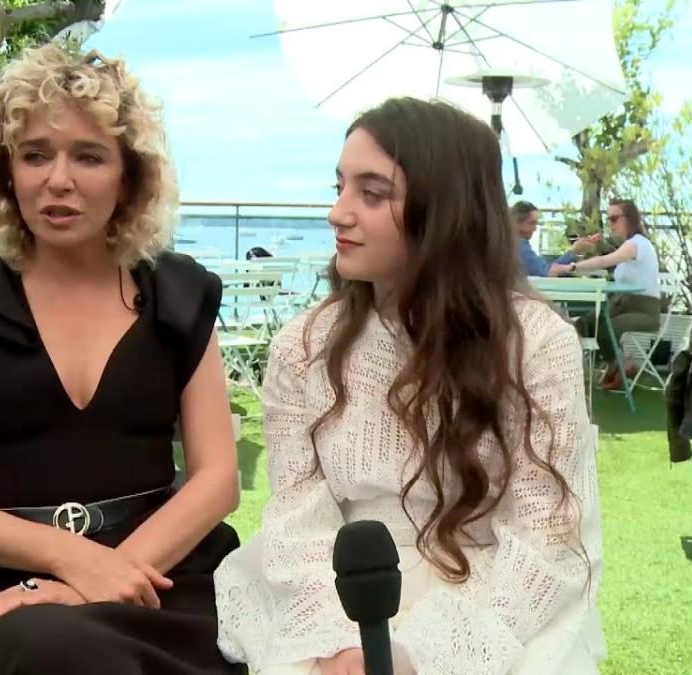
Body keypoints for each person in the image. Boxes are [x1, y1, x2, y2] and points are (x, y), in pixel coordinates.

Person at [214, 98, 604, 675]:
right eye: (340, 186)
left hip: (491, 603)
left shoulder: (536, 345)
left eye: (371, 194)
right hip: (339, 588)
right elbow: (298, 519)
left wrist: (422, 653)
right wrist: (338, 642)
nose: (337, 213)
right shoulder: (303, 346)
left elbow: (549, 534)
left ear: (443, 211)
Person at [0, 44, 245, 675]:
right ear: (6, 172)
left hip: (166, 576)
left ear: (128, 174)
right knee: (61, 652)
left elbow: (217, 479)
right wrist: (71, 560)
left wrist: (108, 572)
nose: (57, 179)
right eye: (35, 154)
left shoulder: (180, 295)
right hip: (9, 592)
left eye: (88, 156)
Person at [563, 198, 662, 390]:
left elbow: (606, 261)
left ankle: (620, 365)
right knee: (583, 324)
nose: (610, 224)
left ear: (630, 219)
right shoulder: (628, 246)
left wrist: (571, 267)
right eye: (608, 219)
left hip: (644, 310)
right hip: (621, 303)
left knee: (607, 327)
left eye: (614, 218)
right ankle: (615, 365)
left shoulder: (638, 244)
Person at [513, 200, 594, 277]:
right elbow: (547, 272)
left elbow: (545, 268)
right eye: (531, 223)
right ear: (516, 223)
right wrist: (573, 251)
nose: (535, 229)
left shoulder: (512, 243)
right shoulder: (520, 246)